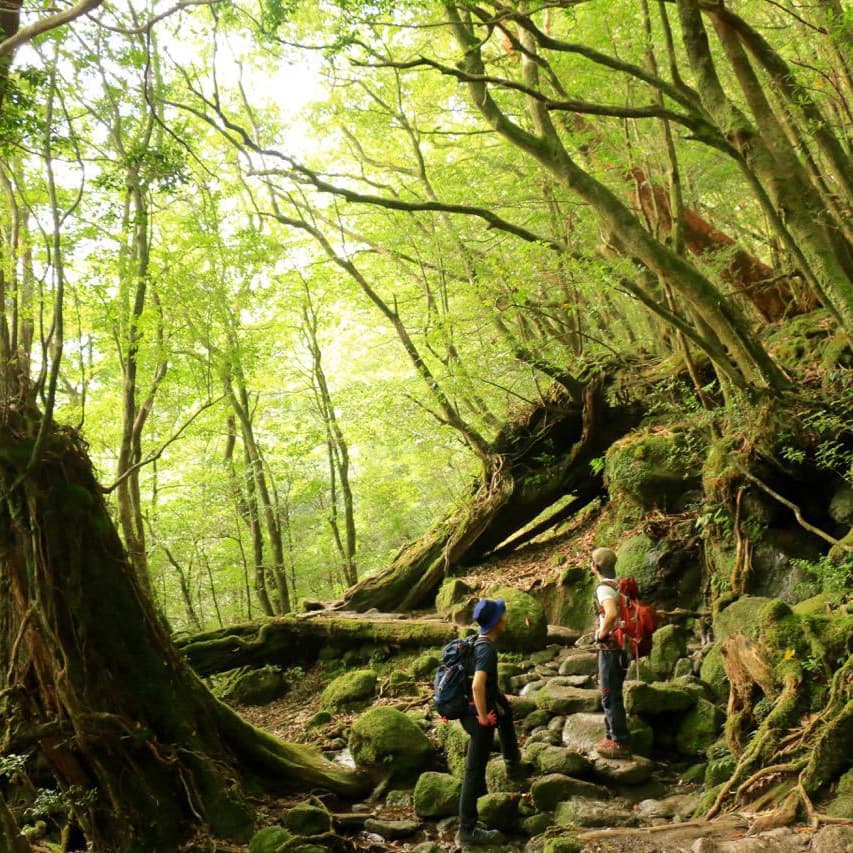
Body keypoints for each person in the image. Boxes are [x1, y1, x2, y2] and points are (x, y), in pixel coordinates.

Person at [456, 597, 523, 846]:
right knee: (473, 770)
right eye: (502, 614)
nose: (505, 616)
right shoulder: (486, 649)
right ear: (496, 623)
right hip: (476, 715)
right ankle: (467, 829)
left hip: (468, 709)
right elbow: (477, 685)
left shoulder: (476, 640)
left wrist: (500, 705)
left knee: (504, 714)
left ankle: (512, 766)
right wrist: (484, 718)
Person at [590, 547, 633, 759]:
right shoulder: (620, 585)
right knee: (613, 692)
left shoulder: (604, 589)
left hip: (612, 648)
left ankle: (619, 741)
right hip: (624, 647)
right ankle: (611, 735)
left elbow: (611, 613)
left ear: (595, 566)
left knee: (609, 695)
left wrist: (600, 634)